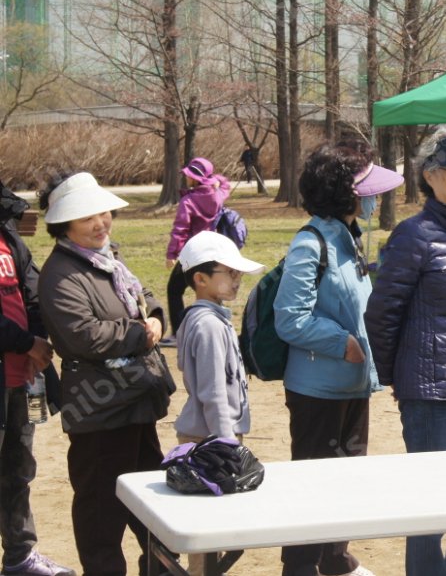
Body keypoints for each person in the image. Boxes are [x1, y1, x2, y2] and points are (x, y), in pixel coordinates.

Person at [365, 128, 446, 576]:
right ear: (429, 175)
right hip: (428, 393)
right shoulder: (413, 235)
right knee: (430, 507)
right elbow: (382, 313)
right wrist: (398, 379)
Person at [36, 172, 176, 576]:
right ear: (64, 225)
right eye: (87, 218)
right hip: (99, 407)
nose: (100, 223)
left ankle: (160, 568)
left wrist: (155, 317)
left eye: (103, 213)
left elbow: (144, 296)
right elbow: (83, 336)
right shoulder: (60, 273)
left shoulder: (107, 257)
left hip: (135, 398)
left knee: (151, 495)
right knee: (101, 507)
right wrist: (140, 333)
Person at [275, 140, 402, 576]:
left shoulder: (349, 238)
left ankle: (334, 557)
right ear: (344, 192)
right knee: (312, 482)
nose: (376, 198)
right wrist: (341, 342)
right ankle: (300, 565)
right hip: (317, 391)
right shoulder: (310, 243)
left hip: (352, 385)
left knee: (346, 478)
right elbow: (290, 318)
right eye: (368, 189)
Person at [173, 230, 263, 576]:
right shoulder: (209, 325)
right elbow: (212, 394)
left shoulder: (207, 318)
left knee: (212, 531)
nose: (237, 280)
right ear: (200, 279)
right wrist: (226, 446)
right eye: (230, 272)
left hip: (208, 436)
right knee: (207, 535)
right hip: (209, 439)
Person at [0, 181, 74, 576]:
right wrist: (26, 342)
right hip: (17, 356)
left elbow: (32, 289)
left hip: (20, 378)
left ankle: (19, 557)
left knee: (17, 470)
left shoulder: (7, 233)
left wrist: (38, 342)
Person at [162, 157, 232, 345]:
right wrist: (215, 180)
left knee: (174, 289)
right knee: (211, 290)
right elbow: (226, 184)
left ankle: (178, 334)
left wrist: (171, 254)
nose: (187, 178)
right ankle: (221, 328)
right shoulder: (218, 194)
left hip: (192, 253)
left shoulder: (188, 201)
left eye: (189, 175)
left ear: (196, 178)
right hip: (213, 251)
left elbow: (180, 230)